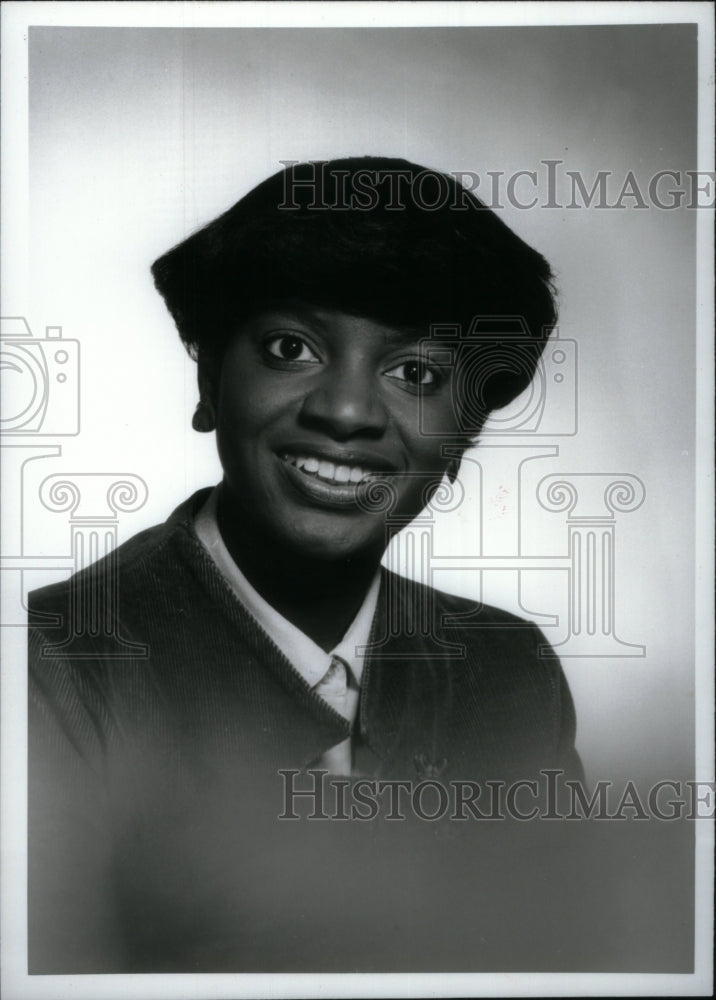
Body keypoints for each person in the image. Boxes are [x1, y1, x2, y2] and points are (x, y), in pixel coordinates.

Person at [28, 157, 582, 973]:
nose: (347, 411)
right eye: (291, 347)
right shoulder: (51, 669)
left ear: (465, 432)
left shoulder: (509, 671)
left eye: (417, 372)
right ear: (211, 375)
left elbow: (569, 961)